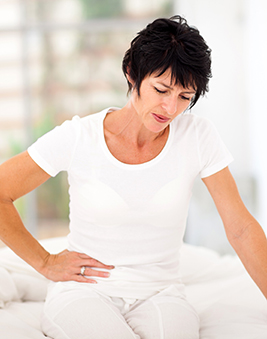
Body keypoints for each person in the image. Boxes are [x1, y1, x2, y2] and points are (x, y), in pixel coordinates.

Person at [0, 15, 266, 339]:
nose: (170, 107)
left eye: (185, 97)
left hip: (162, 293)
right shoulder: (79, 137)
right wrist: (44, 262)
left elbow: (239, 227)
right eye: (161, 89)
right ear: (132, 74)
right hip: (85, 291)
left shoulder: (197, 136)